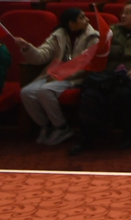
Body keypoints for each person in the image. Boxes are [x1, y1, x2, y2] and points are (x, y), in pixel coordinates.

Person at [71, 0, 131, 155]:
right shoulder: (113, 30)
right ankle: (86, 138)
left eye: (128, 13)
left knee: (122, 93)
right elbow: (101, 51)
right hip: (111, 73)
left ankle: (130, 135)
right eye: (122, 12)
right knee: (90, 93)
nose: (123, 15)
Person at [18, 8, 100, 146]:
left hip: (75, 78)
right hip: (53, 75)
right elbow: (41, 56)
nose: (87, 20)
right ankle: (46, 126)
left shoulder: (93, 37)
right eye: (82, 17)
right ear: (72, 24)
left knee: (45, 90)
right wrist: (28, 48)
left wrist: (60, 76)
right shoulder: (58, 35)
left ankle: (62, 127)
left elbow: (85, 64)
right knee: (26, 92)